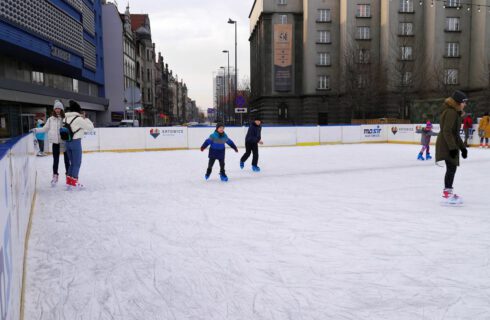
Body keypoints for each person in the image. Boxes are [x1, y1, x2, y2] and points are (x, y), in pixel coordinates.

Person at [435, 90, 468, 205]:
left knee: (452, 168)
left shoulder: (455, 112)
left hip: (449, 143)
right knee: (451, 168)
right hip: (446, 143)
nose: (465, 104)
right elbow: (447, 131)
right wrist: (453, 148)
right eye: (464, 102)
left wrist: (462, 148)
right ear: (458, 102)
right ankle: (447, 194)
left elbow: (456, 134)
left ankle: (448, 192)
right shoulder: (451, 112)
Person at [32, 100, 70, 185]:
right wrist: (35, 130)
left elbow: (70, 129)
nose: (57, 110)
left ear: (62, 109)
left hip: (64, 142)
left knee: (67, 160)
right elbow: (44, 129)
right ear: (54, 109)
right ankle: (55, 176)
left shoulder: (65, 118)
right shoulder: (50, 119)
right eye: (56, 108)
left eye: (59, 108)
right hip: (55, 142)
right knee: (55, 160)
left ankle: (68, 176)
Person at [64, 100, 94, 189]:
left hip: (67, 143)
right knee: (77, 163)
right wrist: (85, 118)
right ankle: (75, 182)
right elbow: (90, 128)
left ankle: (69, 182)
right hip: (76, 142)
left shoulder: (64, 118)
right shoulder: (79, 119)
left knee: (72, 163)